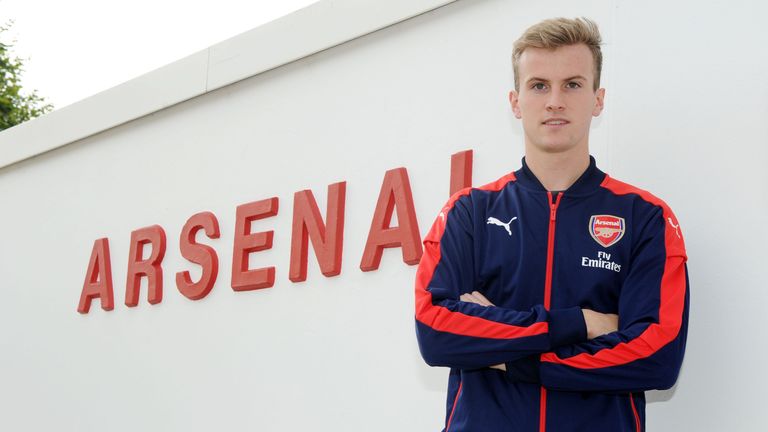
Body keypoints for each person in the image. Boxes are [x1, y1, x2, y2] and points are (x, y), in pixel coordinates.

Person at [414, 17, 689, 431]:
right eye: (539, 85)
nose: (555, 100)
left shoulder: (645, 217)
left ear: (598, 99)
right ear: (515, 101)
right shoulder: (468, 211)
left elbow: (657, 355)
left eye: (573, 85)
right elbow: (435, 330)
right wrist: (582, 323)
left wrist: (512, 357)